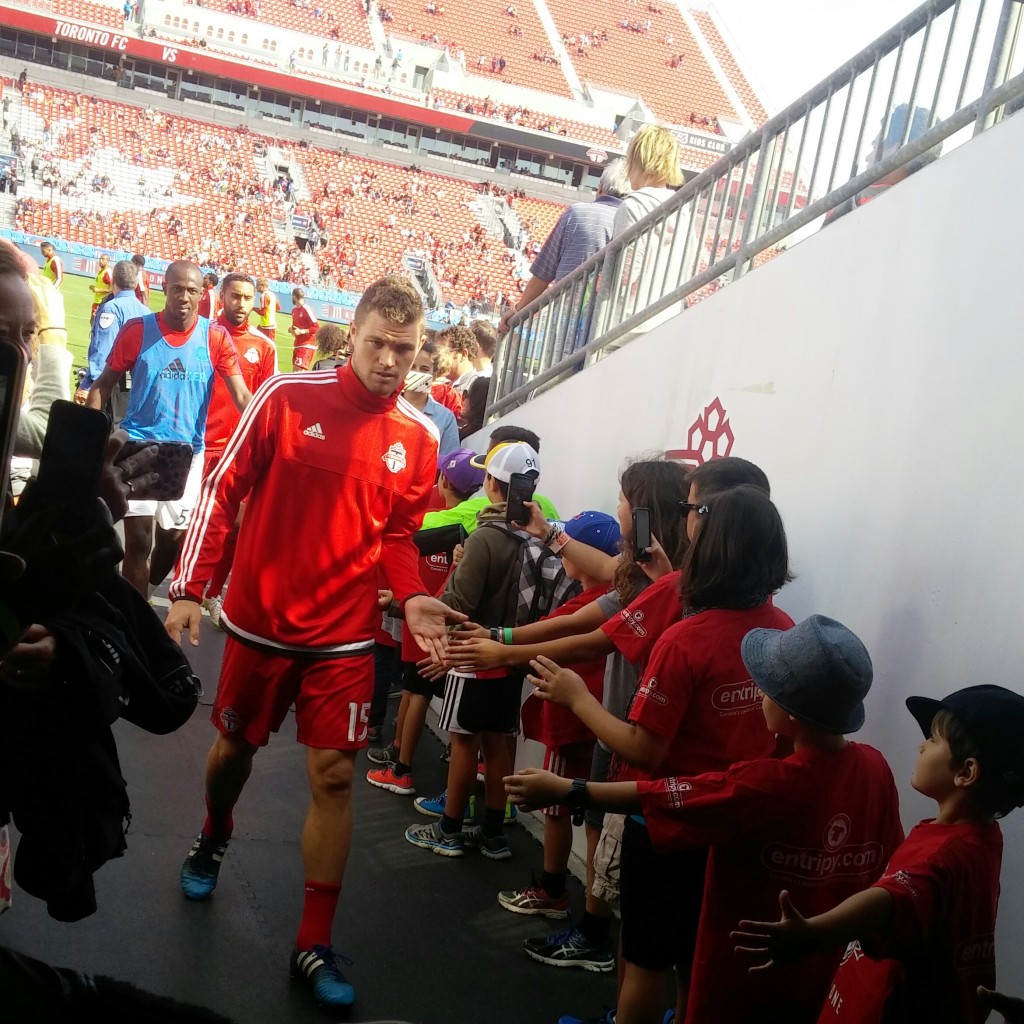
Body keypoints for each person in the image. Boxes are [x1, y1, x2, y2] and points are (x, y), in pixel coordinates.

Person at [164, 275, 465, 1011]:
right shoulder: (287, 398)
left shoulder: (419, 438)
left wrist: (419, 593)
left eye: (405, 349)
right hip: (262, 622)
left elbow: (398, 536)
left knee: (334, 780)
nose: (391, 361)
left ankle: (311, 941)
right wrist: (188, 588)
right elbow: (224, 488)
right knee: (234, 751)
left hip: (344, 638)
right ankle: (214, 834)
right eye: (378, 345)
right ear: (352, 336)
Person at [510, 614, 905, 1024]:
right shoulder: (876, 770)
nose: (758, 695)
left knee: (656, 961)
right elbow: (889, 870)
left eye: (763, 688)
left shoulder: (769, 783)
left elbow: (665, 795)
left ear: (788, 712)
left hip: (741, 972)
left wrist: (567, 788)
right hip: (821, 976)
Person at [526, 485, 794, 1022]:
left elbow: (643, 749)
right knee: (698, 956)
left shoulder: (685, 640)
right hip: (737, 824)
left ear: (709, 543)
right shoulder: (784, 631)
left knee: (645, 957)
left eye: (696, 512)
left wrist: (578, 698)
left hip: (668, 824)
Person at [734, 683, 1024, 1024]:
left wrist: (814, 934)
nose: (920, 745)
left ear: (966, 772)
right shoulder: (984, 836)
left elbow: (890, 899)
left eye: (932, 740)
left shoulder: (943, 854)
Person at [405, 441, 552, 861]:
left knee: (465, 741)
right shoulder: (539, 534)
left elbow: (456, 605)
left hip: (471, 654)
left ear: (490, 483)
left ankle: (449, 829)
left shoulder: (486, 537)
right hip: (513, 655)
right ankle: (493, 833)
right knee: (500, 743)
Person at [85, 261, 251, 597]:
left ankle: (146, 591)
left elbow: (242, 395)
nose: (184, 297)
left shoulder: (215, 338)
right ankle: (134, 621)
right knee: (137, 543)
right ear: (165, 288)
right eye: (177, 288)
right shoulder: (137, 330)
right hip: (138, 446)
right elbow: (102, 385)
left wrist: (270, 434)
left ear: (203, 294)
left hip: (187, 454)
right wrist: (90, 438)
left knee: (171, 541)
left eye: (192, 290)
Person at [498, 511, 621, 921]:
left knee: (557, 809)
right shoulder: (613, 595)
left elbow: (554, 630)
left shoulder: (599, 600)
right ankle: (589, 914)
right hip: (601, 724)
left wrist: (497, 643)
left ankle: (554, 891)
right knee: (591, 819)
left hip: (572, 721)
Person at [367, 446, 485, 791]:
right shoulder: (476, 524)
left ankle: (402, 767)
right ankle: (398, 752)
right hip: (447, 624)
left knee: (414, 690)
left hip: (428, 621)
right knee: (414, 690)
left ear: (443, 479)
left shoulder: (432, 520)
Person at [198, 273, 278, 628]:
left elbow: (264, 405)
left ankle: (213, 591)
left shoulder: (264, 347)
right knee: (182, 528)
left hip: (236, 451)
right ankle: (176, 584)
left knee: (231, 528)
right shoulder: (202, 334)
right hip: (196, 444)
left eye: (248, 298)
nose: (242, 304)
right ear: (222, 297)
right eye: (235, 297)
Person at [499, 160, 631, 338]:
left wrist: (518, 309)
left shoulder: (576, 214)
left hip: (565, 326)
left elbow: (543, 274)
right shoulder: (634, 222)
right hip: (609, 327)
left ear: (600, 188)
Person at [76, 259, 149, 424]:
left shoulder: (112, 308)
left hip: (112, 382)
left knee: (101, 428)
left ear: (113, 280)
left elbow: (103, 349)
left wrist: (88, 385)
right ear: (136, 283)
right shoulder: (146, 311)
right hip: (135, 384)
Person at [400, 336, 459, 458]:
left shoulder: (445, 418)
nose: (417, 372)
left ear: (434, 374)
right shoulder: (388, 405)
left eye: (424, 369)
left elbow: (446, 463)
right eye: (412, 367)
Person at [458, 319, 498, 439]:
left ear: (477, 346)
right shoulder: (467, 375)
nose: (463, 345)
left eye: (468, 340)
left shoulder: (491, 382)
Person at [289, 287, 320, 370]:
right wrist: (292, 329)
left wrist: (301, 331)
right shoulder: (294, 310)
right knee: (296, 372)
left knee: (297, 373)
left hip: (307, 345)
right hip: (298, 344)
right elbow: (297, 327)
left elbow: (316, 328)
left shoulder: (306, 309)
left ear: (294, 297)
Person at [88, 254, 113, 325]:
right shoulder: (101, 272)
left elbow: (113, 289)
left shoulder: (107, 273)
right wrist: (93, 287)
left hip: (102, 302)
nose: (100, 261)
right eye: (100, 259)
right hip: (97, 302)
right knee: (92, 323)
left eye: (103, 259)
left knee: (96, 324)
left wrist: (99, 290)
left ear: (107, 261)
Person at [252, 278, 278, 342]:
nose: (256, 287)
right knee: (255, 341)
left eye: (258, 285)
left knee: (268, 346)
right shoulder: (272, 294)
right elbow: (278, 308)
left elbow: (263, 313)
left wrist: (253, 309)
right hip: (265, 325)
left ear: (263, 286)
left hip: (267, 326)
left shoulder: (264, 296)